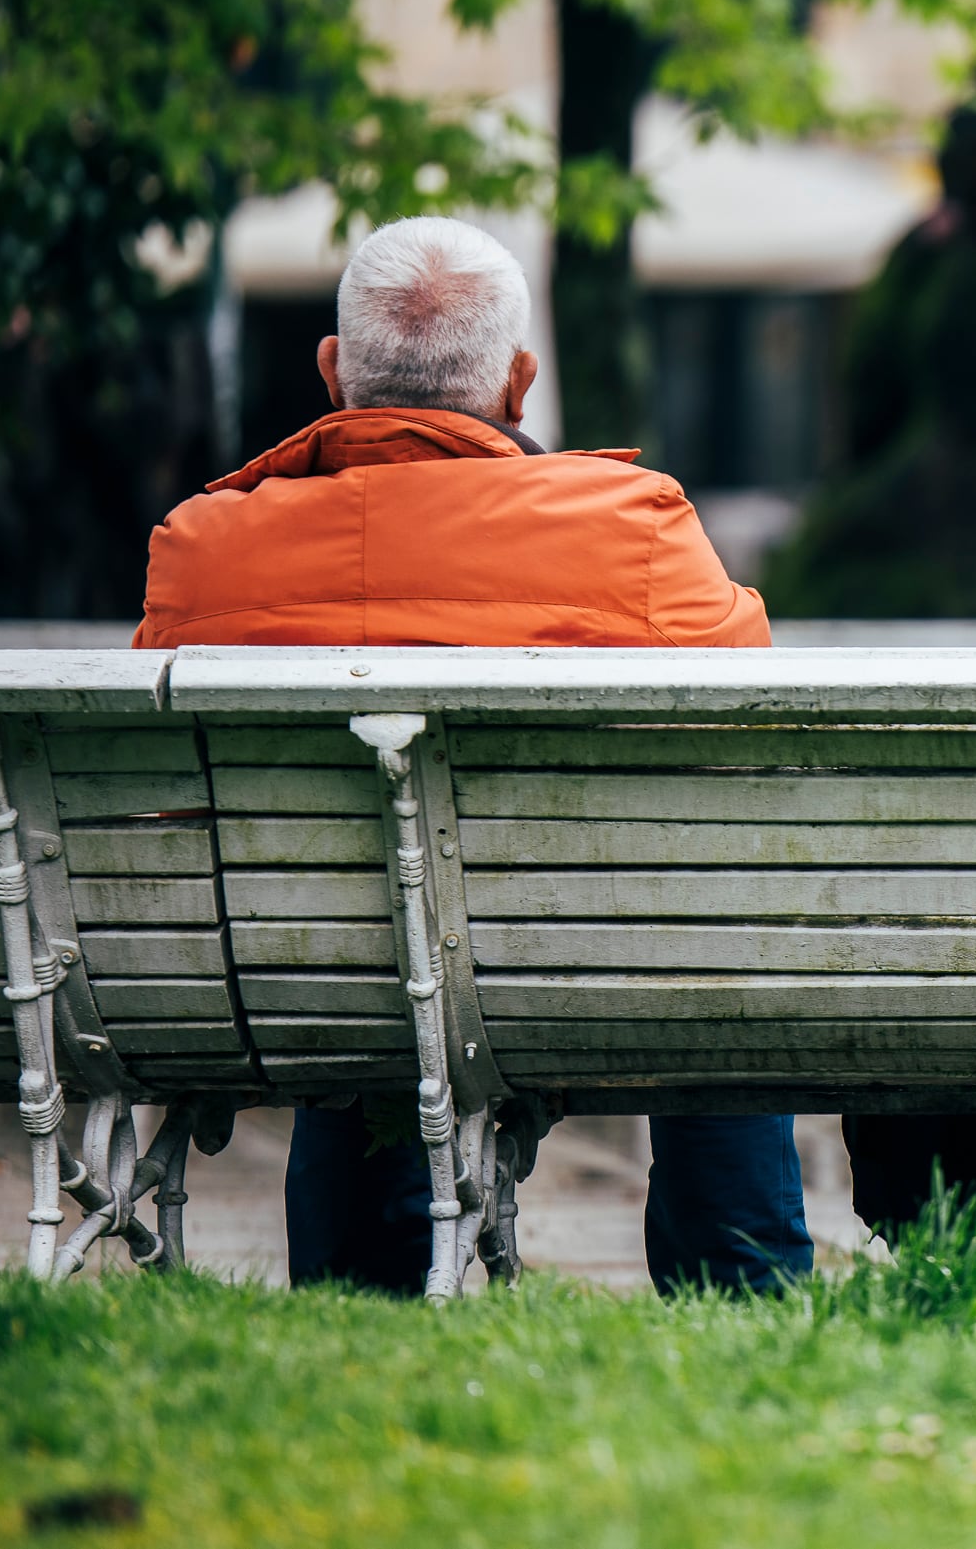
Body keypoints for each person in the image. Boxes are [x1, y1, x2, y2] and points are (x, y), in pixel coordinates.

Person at [134, 217, 813, 1296]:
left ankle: (364, 1293)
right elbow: (745, 724)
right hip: (587, 969)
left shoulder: (201, 550)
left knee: (362, 940)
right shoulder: (635, 527)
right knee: (706, 935)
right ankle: (744, 1294)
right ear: (520, 380)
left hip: (296, 982)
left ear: (330, 372)